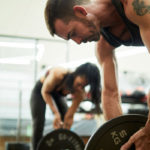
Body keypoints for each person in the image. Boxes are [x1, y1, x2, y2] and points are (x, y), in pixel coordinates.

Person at [44, 0, 150, 149]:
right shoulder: (103, 46)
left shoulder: (135, 5)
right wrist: (122, 142)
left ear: (81, 11)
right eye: (71, 39)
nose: (78, 42)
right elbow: (110, 94)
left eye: (73, 33)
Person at [30, 62, 101, 150]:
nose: (79, 88)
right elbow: (45, 91)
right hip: (40, 91)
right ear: (76, 74)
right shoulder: (59, 74)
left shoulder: (80, 93)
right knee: (38, 122)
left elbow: (69, 115)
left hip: (57, 95)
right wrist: (55, 113)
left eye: (83, 86)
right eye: (79, 84)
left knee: (64, 115)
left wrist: (65, 131)